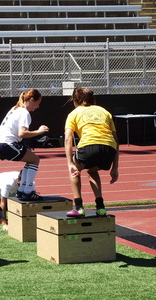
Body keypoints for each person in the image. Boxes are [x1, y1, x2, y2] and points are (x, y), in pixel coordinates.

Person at [64, 87, 119, 218]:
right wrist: (115, 167)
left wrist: (70, 163)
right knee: (92, 171)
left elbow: (68, 138)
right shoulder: (104, 111)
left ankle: (78, 207)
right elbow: (116, 141)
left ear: (75, 100)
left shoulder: (74, 113)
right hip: (109, 148)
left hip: (88, 146)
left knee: (75, 171)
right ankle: (100, 208)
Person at [0, 88, 49, 201]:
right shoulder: (24, 112)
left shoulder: (15, 108)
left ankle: (22, 191)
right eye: (38, 104)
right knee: (35, 160)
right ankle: (27, 192)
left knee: (31, 159)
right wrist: (39, 131)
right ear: (32, 100)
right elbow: (22, 133)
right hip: (6, 143)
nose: (37, 107)